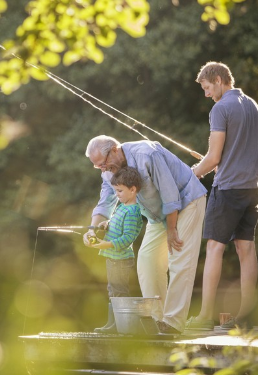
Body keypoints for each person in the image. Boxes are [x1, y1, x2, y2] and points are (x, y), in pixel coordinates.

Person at [84, 136, 207, 334]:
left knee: (179, 258)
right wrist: (92, 229)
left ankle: (173, 322)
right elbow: (105, 200)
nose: (103, 169)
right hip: (158, 214)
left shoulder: (147, 154)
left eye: (104, 163)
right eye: (98, 167)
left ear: (115, 149)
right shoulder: (109, 172)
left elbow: (170, 194)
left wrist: (171, 229)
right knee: (147, 259)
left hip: (186, 201)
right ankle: (157, 319)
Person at [186, 62, 258, 330]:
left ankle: (204, 317)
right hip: (251, 189)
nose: (206, 94)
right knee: (246, 249)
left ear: (220, 80)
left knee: (214, 248)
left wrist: (193, 174)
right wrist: (235, 161)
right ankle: (246, 317)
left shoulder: (220, 109)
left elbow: (212, 158)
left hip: (228, 190)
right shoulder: (254, 106)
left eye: (208, 88)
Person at [89, 166, 144, 334]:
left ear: (133, 190)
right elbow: (116, 225)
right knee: (112, 290)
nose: (117, 194)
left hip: (121, 260)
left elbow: (127, 238)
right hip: (113, 258)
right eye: (115, 190)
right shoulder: (121, 206)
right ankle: (112, 324)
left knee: (119, 292)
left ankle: (120, 326)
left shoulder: (133, 211)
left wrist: (107, 244)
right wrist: (106, 224)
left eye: (120, 191)